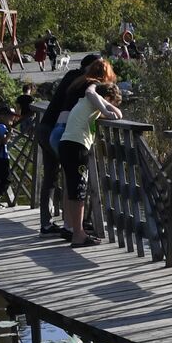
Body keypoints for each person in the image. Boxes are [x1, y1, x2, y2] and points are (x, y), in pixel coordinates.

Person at [37, 54, 104, 234]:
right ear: (92, 66)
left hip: (46, 127)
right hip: (58, 130)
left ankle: (48, 222)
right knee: (73, 176)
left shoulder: (70, 76)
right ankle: (73, 224)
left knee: (51, 177)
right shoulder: (85, 81)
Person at [59, 80, 124, 247]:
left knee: (74, 190)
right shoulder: (92, 99)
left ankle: (77, 231)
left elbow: (116, 112)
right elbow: (117, 114)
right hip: (76, 146)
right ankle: (78, 235)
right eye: (112, 100)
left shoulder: (86, 102)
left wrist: (102, 103)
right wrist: (105, 106)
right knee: (79, 191)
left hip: (67, 144)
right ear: (107, 97)